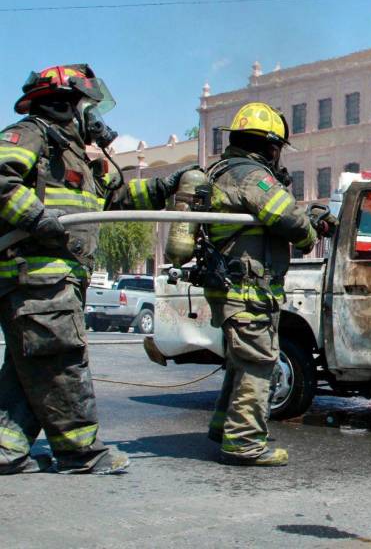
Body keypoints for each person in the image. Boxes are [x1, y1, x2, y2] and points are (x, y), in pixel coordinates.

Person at [0, 64, 195, 475]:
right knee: (60, 361)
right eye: (90, 108)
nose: (97, 118)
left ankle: (7, 448)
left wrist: (169, 184)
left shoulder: (76, 158)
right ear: (66, 105)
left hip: (58, 278)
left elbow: (120, 197)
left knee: (29, 368)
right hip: (37, 276)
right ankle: (80, 451)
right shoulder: (33, 134)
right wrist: (38, 219)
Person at [201, 102, 333, 467]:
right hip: (247, 288)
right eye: (277, 149)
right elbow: (286, 218)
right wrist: (311, 231)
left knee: (241, 363)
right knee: (258, 362)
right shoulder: (251, 175)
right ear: (270, 146)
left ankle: (222, 427)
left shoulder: (224, 171)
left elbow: (268, 217)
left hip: (234, 285)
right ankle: (244, 442)